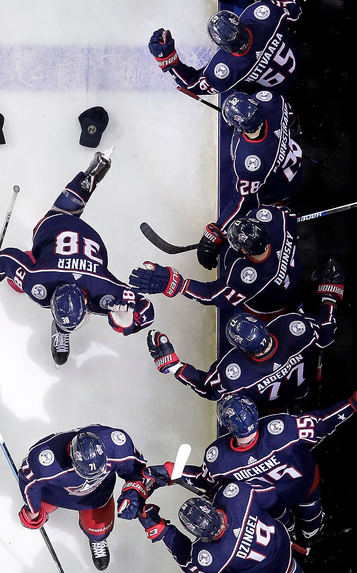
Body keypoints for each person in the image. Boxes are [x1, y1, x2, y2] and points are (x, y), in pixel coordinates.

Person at [0, 151, 154, 365]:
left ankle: (90, 177)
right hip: (67, 234)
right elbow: (9, 262)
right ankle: (90, 177)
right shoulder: (45, 283)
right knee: (25, 273)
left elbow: (8, 261)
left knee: (31, 264)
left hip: (70, 235)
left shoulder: (99, 289)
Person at [151, 391, 357, 544]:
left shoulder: (218, 458)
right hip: (303, 482)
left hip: (270, 500)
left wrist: (174, 471)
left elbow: (205, 482)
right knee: (311, 513)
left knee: (282, 520)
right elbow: (323, 422)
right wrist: (351, 404)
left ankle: (292, 533)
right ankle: (312, 536)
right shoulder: (282, 428)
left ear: (228, 427)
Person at [146, 261, 342, 408]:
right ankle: (310, 393)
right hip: (303, 385)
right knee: (305, 388)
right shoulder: (292, 324)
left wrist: (173, 366)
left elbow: (207, 388)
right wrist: (330, 296)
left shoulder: (233, 372)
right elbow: (326, 333)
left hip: (271, 405)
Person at [137, 482, 305, 573]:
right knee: (292, 569)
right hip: (282, 545)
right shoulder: (237, 495)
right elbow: (270, 497)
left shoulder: (215, 556)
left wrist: (163, 530)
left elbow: (188, 564)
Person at [129, 204, 303, 320]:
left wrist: (177, 284)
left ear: (244, 251)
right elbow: (291, 220)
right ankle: (299, 303)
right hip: (294, 277)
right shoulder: (276, 220)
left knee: (241, 323)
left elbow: (210, 294)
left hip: (268, 307)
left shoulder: (246, 277)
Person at [17, 424, 152, 570]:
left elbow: (137, 471)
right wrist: (33, 510)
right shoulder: (46, 462)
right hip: (55, 493)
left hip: (98, 496)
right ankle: (41, 509)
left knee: (99, 530)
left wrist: (132, 492)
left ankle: (97, 539)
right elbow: (29, 481)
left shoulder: (117, 446)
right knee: (36, 509)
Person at [196, 90, 303, 270]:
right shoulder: (272, 101)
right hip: (294, 162)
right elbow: (291, 117)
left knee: (260, 222)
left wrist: (217, 232)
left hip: (281, 187)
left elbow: (242, 203)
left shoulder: (250, 163)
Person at [148, 2, 302, 98]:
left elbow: (192, 84)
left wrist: (169, 61)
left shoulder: (227, 68)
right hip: (301, 57)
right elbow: (294, 9)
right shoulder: (264, 14)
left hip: (280, 94)